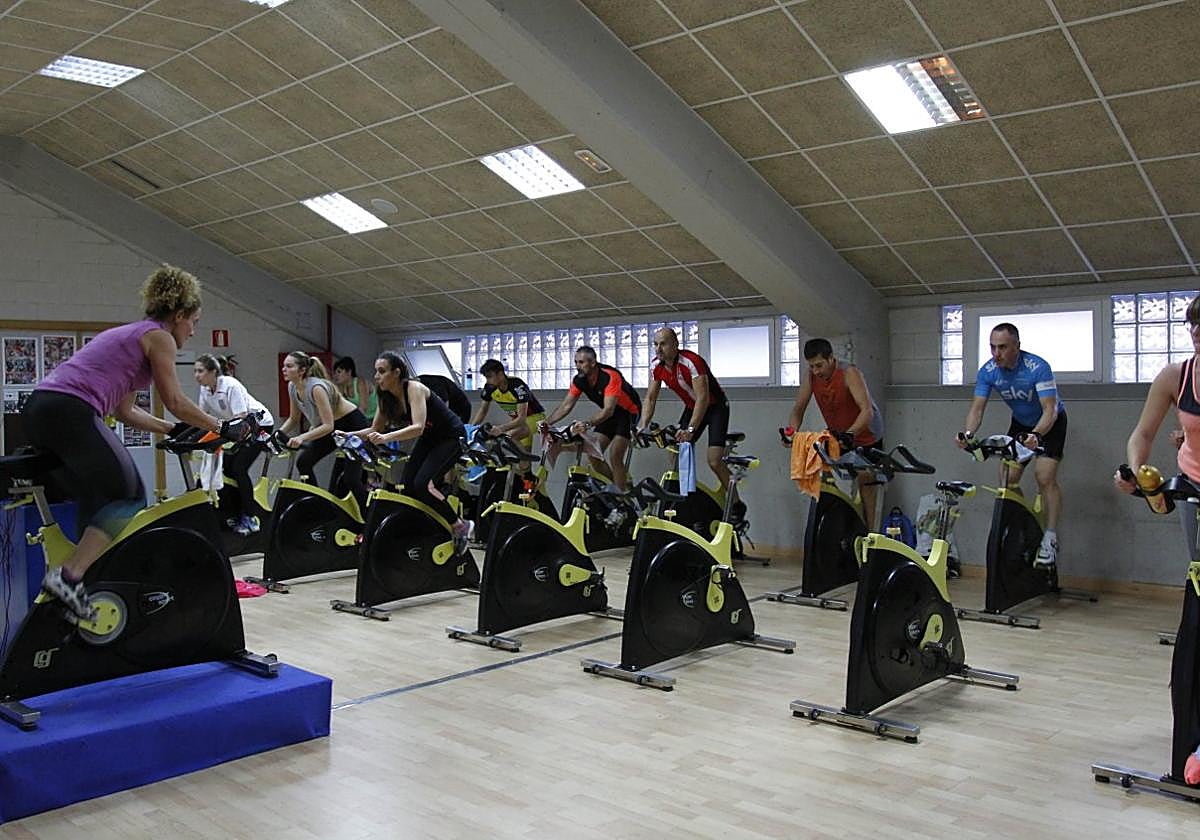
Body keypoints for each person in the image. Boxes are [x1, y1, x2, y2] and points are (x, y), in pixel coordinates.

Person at [22, 265, 251, 619]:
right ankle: (67, 577)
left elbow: (126, 411)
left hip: (43, 410)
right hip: (70, 410)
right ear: (178, 316)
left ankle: (82, 581)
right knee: (130, 495)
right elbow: (175, 399)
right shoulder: (158, 338)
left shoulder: (130, 336)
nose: (192, 331)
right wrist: (222, 426)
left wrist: (172, 430)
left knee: (98, 495)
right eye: (193, 322)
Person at [958, 322, 1065, 567]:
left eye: (1003, 347)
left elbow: (1050, 410)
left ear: (1016, 346)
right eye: (992, 347)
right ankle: (1025, 523)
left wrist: (1037, 435)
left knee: (1044, 477)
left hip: (1050, 423)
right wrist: (967, 434)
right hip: (1020, 423)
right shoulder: (988, 371)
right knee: (1007, 479)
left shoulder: (1037, 367)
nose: (996, 353)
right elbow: (977, 408)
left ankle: (1050, 537)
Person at [349, 352, 472, 550]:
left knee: (423, 485)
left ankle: (460, 525)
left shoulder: (414, 389)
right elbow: (374, 429)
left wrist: (387, 438)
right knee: (407, 487)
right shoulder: (385, 396)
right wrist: (348, 435)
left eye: (381, 371)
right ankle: (425, 528)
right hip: (430, 439)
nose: (376, 376)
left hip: (451, 437)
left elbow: (417, 427)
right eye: (376, 371)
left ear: (396, 373)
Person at [784, 338, 885, 529]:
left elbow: (867, 411)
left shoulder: (849, 373)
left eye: (819, 365)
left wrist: (850, 434)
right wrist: (792, 432)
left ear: (831, 358)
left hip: (866, 434)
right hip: (839, 434)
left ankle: (871, 537)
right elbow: (798, 409)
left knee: (866, 483)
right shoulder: (811, 377)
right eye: (812, 366)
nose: (816, 371)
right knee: (823, 473)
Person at [639, 328, 732, 492]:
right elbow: (651, 398)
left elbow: (703, 398)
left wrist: (690, 429)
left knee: (714, 461)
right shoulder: (656, 366)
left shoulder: (691, 361)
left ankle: (737, 503)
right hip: (692, 407)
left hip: (715, 408)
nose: (658, 349)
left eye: (663, 344)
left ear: (675, 345)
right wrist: (642, 426)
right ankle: (681, 497)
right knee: (675, 451)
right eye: (655, 344)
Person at [277, 351, 369, 511]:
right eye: (284, 366)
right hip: (335, 426)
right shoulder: (292, 386)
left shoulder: (316, 387)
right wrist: (277, 434)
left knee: (351, 479)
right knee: (304, 462)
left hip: (353, 425)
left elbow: (328, 426)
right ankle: (318, 507)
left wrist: (302, 437)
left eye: (289, 366)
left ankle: (369, 517)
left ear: (302, 370)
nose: (284, 369)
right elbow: (293, 418)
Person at [194, 353, 274, 536]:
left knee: (238, 468)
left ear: (213, 372)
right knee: (227, 469)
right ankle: (236, 513)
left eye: (200, 371)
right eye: (195, 371)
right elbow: (202, 417)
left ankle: (250, 516)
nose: (196, 375)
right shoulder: (205, 389)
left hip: (258, 424)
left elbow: (241, 418)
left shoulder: (231, 385)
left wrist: (221, 436)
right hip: (236, 426)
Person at [542, 346, 640, 492]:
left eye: (581, 362)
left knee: (615, 455)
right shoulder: (579, 380)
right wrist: (547, 423)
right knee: (594, 454)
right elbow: (566, 406)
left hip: (628, 413)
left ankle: (622, 498)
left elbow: (608, 410)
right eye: (576, 362)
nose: (577, 366)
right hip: (610, 414)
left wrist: (587, 423)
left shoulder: (610, 376)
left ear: (593, 363)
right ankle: (618, 485)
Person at [469, 359, 546, 448]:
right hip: (517, 421)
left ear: (500, 374)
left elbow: (521, 418)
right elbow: (482, 410)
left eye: (490, 377)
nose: (487, 381)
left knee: (507, 438)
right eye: (486, 377)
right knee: (523, 457)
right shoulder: (490, 387)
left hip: (535, 418)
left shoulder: (517, 385)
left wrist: (501, 428)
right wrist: (471, 429)